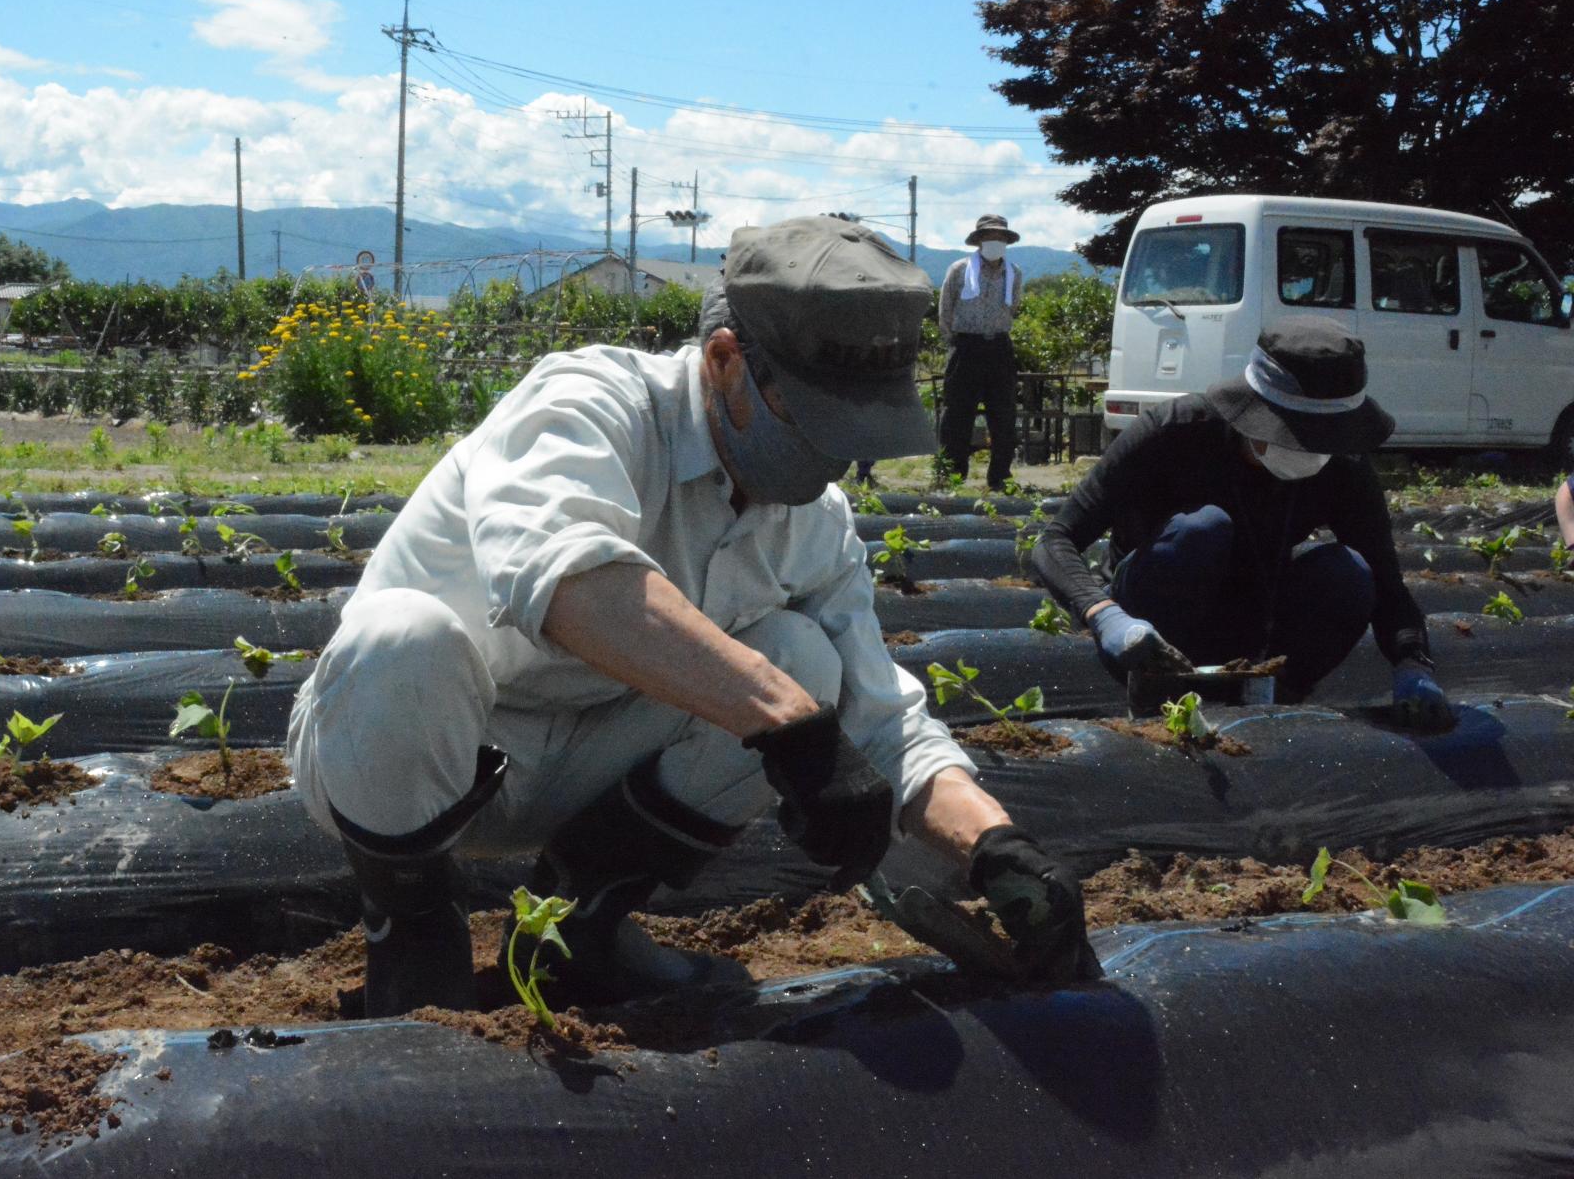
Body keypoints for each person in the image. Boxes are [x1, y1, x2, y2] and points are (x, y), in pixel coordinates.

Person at [288, 216, 1099, 1018]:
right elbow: (563, 576)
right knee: (403, 635)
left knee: (804, 659)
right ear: (725, 363)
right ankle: (413, 933)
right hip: (409, 756)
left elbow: (879, 713)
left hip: (586, 763)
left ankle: (577, 923)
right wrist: (787, 724)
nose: (835, 461)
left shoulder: (811, 518)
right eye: (818, 426)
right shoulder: (589, 402)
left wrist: (994, 845)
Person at [1032, 316, 1452, 729]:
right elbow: (1056, 540)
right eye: (1299, 435)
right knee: (1204, 531)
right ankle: (1160, 695)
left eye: (1325, 439)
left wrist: (1413, 663)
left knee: (1349, 573)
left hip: (1256, 619)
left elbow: (1387, 582)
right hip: (1150, 626)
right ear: (1256, 413)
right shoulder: (1173, 434)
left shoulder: (1342, 467)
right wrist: (1104, 615)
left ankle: (1272, 703)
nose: (1313, 451)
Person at [936, 214, 1027, 488]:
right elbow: (945, 310)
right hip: (966, 347)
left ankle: (1000, 477)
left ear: (1006, 242)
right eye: (989, 237)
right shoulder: (959, 270)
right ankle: (952, 475)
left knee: (1003, 415)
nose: (995, 242)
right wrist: (955, 341)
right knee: (957, 415)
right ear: (979, 241)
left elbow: (1014, 308)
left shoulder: (1014, 273)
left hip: (999, 347)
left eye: (1000, 238)